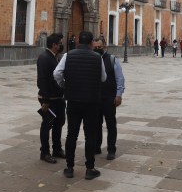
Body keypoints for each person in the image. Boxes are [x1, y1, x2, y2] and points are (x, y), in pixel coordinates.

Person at [54, 31, 106, 180]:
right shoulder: (97, 57)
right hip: (91, 102)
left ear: (77, 42)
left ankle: (69, 168)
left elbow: (57, 73)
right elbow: (103, 78)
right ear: (91, 43)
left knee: (72, 134)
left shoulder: (67, 55)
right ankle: (90, 169)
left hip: (73, 101)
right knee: (90, 135)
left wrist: (64, 85)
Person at [93, 36, 125, 160]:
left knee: (111, 124)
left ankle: (111, 149)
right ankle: (96, 146)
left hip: (109, 98)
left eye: (99, 47)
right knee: (96, 124)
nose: (97, 49)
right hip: (95, 98)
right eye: (95, 47)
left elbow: (119, 78)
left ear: (105, 47)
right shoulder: (92, 59)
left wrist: (118, 95)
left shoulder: (112, 60)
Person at [37, 33, 66, 163]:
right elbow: (42, 81)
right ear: (54, 45)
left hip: (58, 98)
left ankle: (57, 149)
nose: (61, 45)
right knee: (47, 125)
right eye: (60, 43)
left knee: (58, 124)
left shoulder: (54, 57)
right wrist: (46, 100)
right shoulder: (44, 58)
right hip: (49, 99)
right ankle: (44, 152)